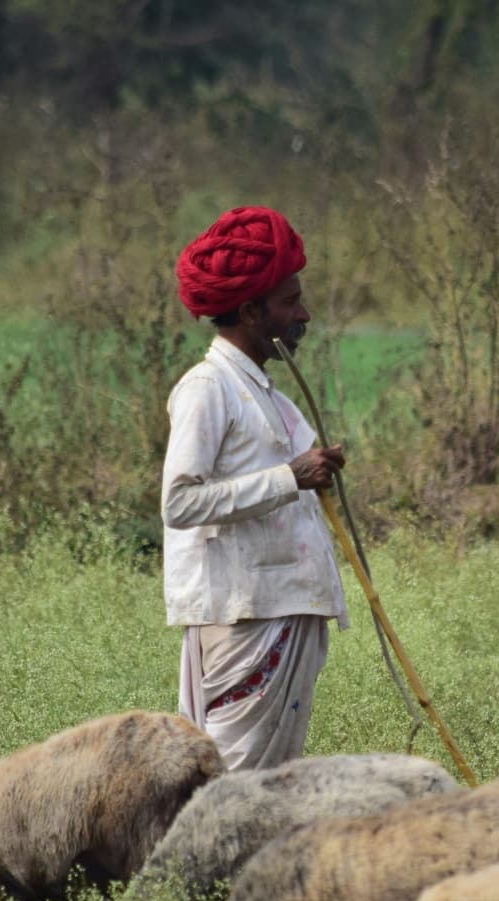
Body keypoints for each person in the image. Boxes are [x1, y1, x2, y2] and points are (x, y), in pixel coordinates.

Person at [162, 205, 349, 771]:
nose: (304, 313)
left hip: (278, 609)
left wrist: (312, 472)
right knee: (231, 786)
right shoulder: (207, 387)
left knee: (256, 788)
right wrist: (291, 476)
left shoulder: (267, 392)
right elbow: (179, 502)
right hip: (247, 617)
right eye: (289, 301)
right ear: (249, 310)